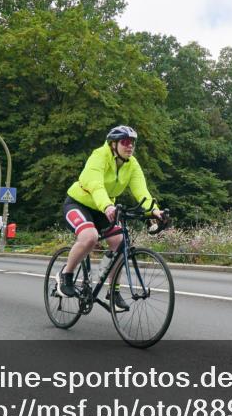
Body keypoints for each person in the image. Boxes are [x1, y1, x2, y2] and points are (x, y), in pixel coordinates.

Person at [58, 126, 165, 308]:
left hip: (104, 208)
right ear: (113, 144)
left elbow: (142, 192)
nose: (129, 146)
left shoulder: (132, 164)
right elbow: (95, 184)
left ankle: (113, 292)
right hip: (79, 203)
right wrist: (107, 205)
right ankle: (65, 275)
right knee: (89, 237)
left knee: (120, 242)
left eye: (132, 143)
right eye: (125, 142)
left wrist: (155, 211)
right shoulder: (99, 156)